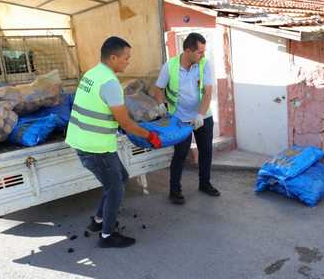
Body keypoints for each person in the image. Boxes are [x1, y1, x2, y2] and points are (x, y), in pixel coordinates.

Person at [65, 36, 162, 249]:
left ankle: (98, 221)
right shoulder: (110, 83)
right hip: (95, 147)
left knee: (121, 178)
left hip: (85, 140)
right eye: (126, 58)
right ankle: (107, 236)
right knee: (116, 188)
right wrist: (149, 136)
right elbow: (126, 123)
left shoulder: (92, 74)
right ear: (113, 57)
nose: (129, 62)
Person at [152, 32, 220, 205]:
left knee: (206, 152)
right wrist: (161, 104)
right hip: (180, 119)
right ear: (188, 50)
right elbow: (158, 89)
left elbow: (207, 92)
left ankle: (205, 184)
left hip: (203, 116)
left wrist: (200, 115)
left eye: (203, 52)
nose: (203, 55)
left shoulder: (204, 64)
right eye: (200, 52)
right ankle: (174, 191)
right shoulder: (170, 66)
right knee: (180, 154)